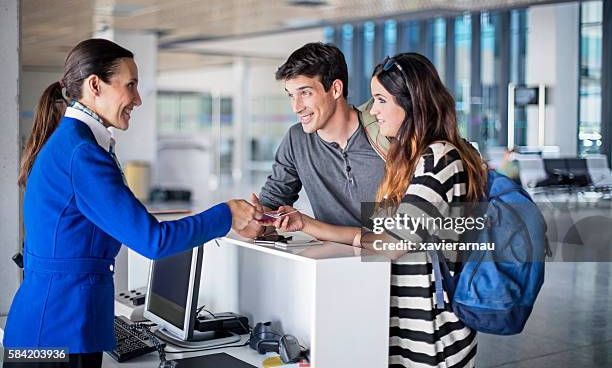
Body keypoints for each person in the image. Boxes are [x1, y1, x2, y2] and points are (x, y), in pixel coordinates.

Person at [3, 39, 261, 368]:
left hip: (51, 326)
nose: (137, 100)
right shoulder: (83, 155)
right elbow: (152, 240)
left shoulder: (73, 144)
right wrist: (227, 214)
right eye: (131, 85)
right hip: (59, 332)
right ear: (94, 85)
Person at [264, 53, 486, 367]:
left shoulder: (438, 158)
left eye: (381, 100)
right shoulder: (409, 157)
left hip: (431, 332)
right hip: (396, 319)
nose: (373, 110)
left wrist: (308, 225)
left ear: (410, 103)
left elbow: (393, 243)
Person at [238, 42, 389, 244]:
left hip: (395, 265)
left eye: (305, 93)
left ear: (335, 89)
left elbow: (414, 231)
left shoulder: (384, 133)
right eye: (291, 95)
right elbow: (273, 201)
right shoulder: (296, 140)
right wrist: (258, 218)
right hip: (335, 265)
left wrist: (307, 224)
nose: (296, 107)